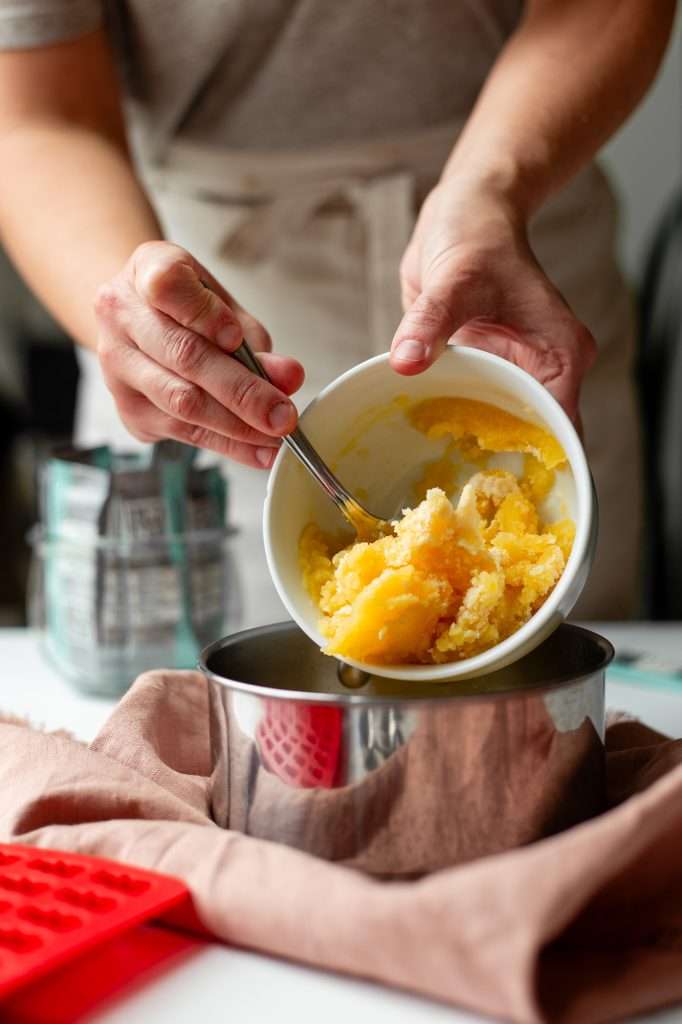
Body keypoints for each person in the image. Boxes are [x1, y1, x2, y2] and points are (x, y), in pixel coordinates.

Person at [0, 1, 675, 627]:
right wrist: (140, 317)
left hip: (514, 248)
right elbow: (39, 117)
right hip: (209, 276)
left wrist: (491, 187)